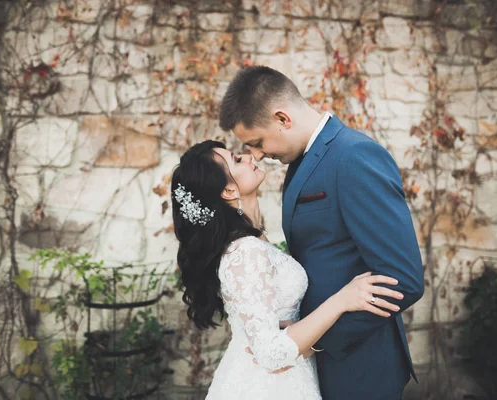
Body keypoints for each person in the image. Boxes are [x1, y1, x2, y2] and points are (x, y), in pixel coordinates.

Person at [218, 66, 425, 399]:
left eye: (257, 142)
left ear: (282, 118)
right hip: (315, 367)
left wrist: (316, 341)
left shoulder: (354, 156)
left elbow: (404, 280)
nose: (256, 154)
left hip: (359, 364)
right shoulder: (300, 160)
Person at [171, 140, 405, 399]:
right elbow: (270, 354)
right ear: (228, 190)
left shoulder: (256, 241)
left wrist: (302, 330)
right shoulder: (245, 251)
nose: (249, 157)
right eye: (237, 160)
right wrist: (343, 300)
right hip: (268, 387)